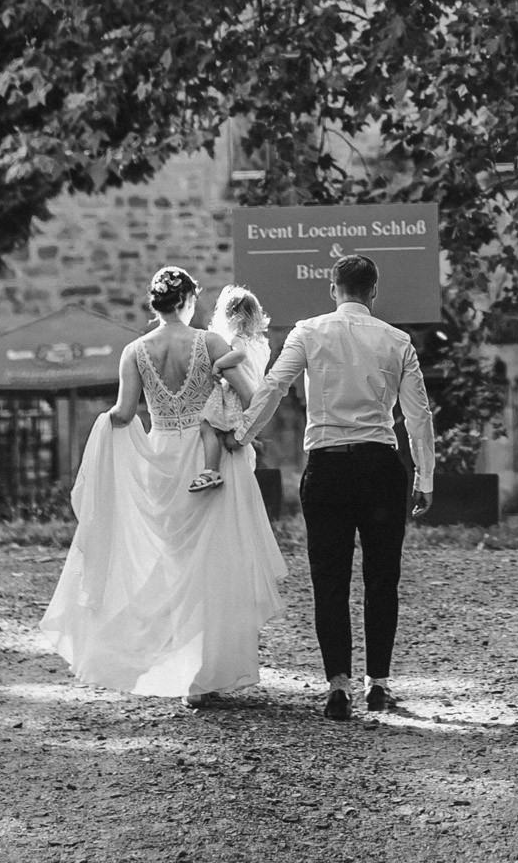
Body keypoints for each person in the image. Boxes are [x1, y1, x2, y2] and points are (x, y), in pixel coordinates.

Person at [38, 265, 287, 703]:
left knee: (173, 563)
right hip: (210, 459)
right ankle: (204, 677)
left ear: (153, 304)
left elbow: (123, 413)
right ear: (189, 300)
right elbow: (253, 398)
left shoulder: (134, 350)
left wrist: (101, 435)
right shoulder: (210, 343)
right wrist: (236, 432)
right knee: (213, 563)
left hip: (162, 459)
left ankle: (176, 666)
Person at [229, 253, 434, 721]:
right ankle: (378, 684)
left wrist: (240, 434)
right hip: (381, 468)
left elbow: (274, 387)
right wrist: (425, 477)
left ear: (332, 288)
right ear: (374, 291)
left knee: (329, 579)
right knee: (383, 579)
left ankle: (338, 686)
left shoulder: (307, 332)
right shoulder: (397, 341)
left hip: (327, 468)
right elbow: (417, 416)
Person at [190, 285, 271, 493]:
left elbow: (240, 356)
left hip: (235, 396)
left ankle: (211, 470)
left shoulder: (237, 341)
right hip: (255, 395)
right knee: (232, 440)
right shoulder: (263, 344)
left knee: (208, 427)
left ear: (230, 316)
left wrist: (219, 364)